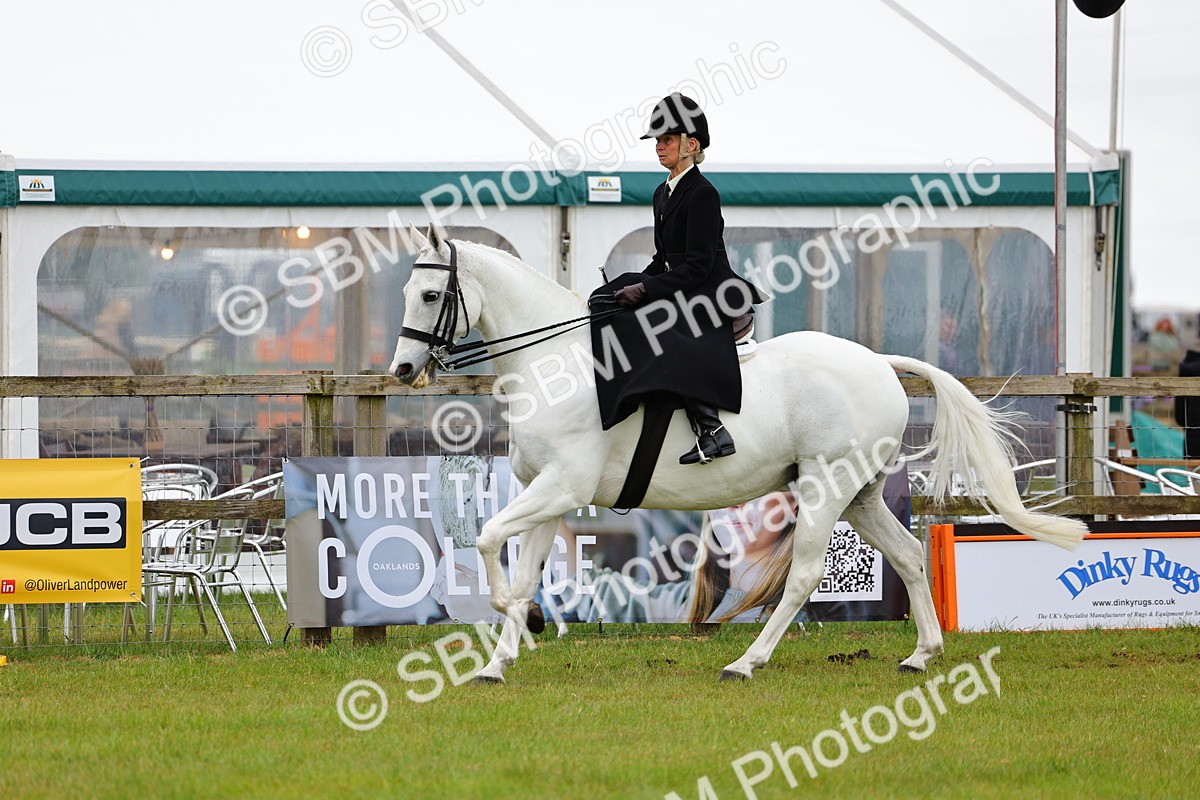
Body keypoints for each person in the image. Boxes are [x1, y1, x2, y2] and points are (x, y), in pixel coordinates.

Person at [589, 93, 769, 465]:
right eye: (657, 140)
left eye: (667, 139)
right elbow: (663, 259)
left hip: (710, 288)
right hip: (682, 281)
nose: (659, 147)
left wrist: (648, 288)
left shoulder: (703, 193)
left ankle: (711, 429)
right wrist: (632, 282)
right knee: (606, 297)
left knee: (667, 330)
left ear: (692, 145)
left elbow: (699, 266)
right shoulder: (662, 192)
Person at [537, 492, 810, 625]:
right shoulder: (690, 603)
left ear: (794, 501)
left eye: (756, 489)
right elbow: (591, 592)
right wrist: (542, 505)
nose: (734, 502)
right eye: (727, 487)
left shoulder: (792, 624)